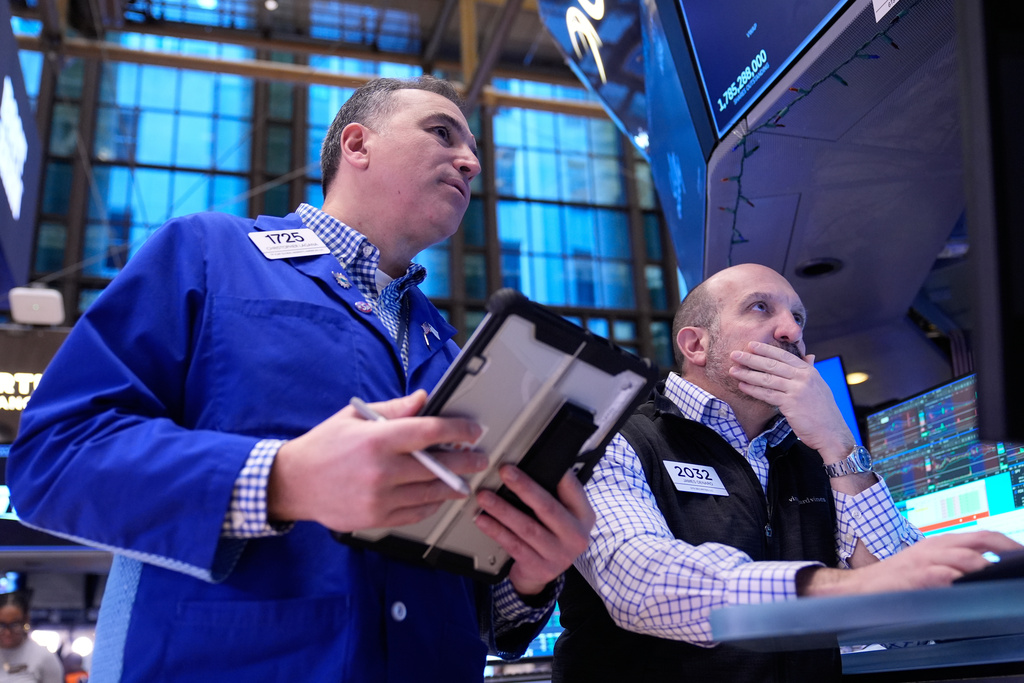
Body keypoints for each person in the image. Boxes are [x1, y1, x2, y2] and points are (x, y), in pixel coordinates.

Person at [7, 76, 593, 682]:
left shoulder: (451, 352)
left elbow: (476, 604)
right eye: (442, 133)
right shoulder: (207, 253)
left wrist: (528, 574)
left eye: (473, 153)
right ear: (357, 145)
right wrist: (279, 480)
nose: (470, 162)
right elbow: (53, 458)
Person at [551, 263, 1024, 683]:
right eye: (760, 308)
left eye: (798, 319)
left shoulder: (811, 453)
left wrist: (838, 441)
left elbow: (906, 604)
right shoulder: (615, 436)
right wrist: (850, 589)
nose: (789, 332)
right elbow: (643, 584)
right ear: (696, 344)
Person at [0, 591, 63, 683]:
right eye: (1, 625)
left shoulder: (44, 657)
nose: (8, 632)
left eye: (15, 624)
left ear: (26, 620)